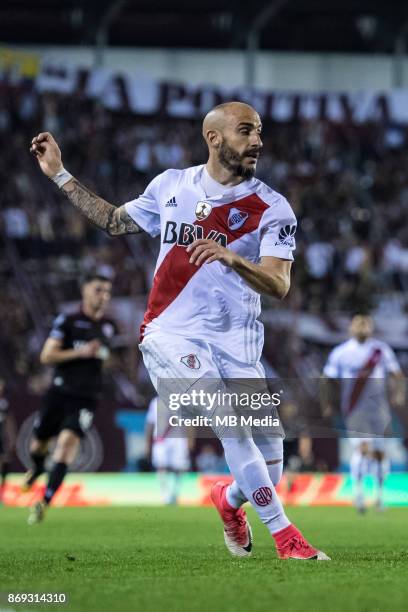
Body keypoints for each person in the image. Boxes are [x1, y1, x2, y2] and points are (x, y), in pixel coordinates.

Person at [30, 101, 329, 559]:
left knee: (272, 463)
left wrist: (232, 256)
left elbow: (279, 284)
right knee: (231, 425)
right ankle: (286, 537)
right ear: (214, 138)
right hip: (170, 333)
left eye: (260, 132)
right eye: (246, 131)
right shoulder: (171, 185)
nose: (258, 141)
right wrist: (60, 175)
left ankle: (229, 501)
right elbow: (113, 221)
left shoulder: (272, 207)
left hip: (239, 345)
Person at [23, 273, 116, 524]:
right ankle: (38, 466)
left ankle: (45, 500)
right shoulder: (68, 321)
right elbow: (47, 356)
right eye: (98, 290)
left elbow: (107, 358)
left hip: (86, 399)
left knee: (66, 445)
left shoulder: (109, 326)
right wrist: (81, 352)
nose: (104, 296)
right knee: (38, 445)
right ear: (84, 290)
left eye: (107, 292)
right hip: (59, 393)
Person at [322, 314, 405, 512]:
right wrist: (327, 403)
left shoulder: (381, 350)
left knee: (379, 453)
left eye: (365, 322)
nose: (362, 325)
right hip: (354, 408)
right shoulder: (341, 352)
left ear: (371, 327)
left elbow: (396, 374)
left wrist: (398, 394)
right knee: (362, 449)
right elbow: (327, 378)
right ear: (351, 327)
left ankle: (379, 495)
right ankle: (358, 494)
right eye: (358, 322)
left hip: (379, 409)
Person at [145, 396, 191, 505]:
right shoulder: (155, 402)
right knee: (161, 466)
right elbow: (150, 423)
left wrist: (190, 440)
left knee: (179, 467)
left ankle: (175, 493)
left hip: (178, 439)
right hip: (161, 439)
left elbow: (189, 422)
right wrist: (147, 444)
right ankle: (165, 495)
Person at [0, 379, 16, 504]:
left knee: (4, 463)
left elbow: (9, 422)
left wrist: (11, 438)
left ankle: (2, 493)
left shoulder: (4, 403)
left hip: (1, 439)